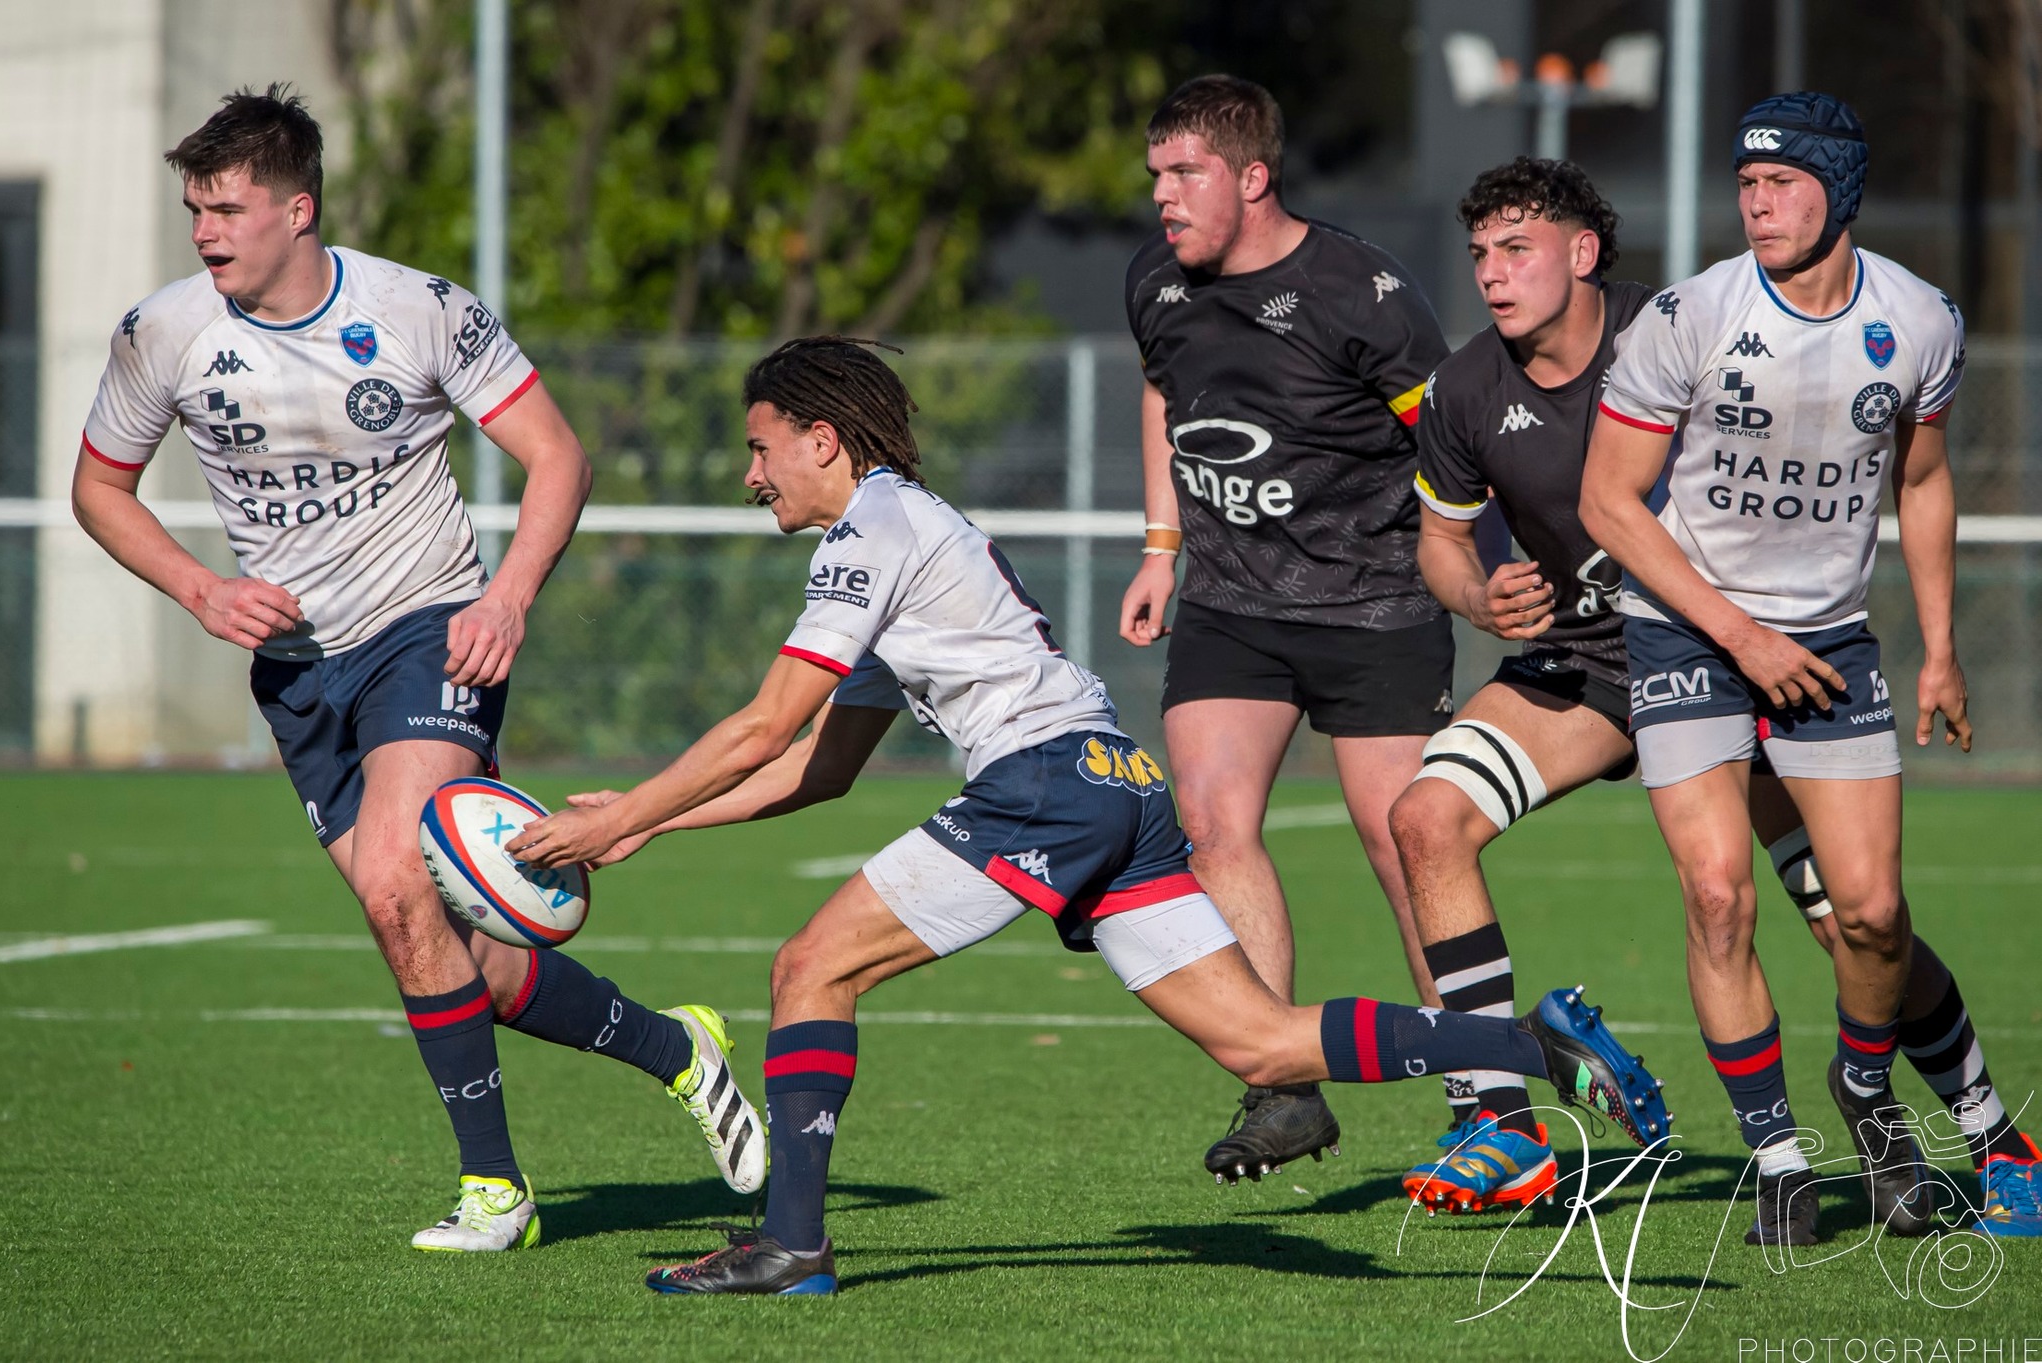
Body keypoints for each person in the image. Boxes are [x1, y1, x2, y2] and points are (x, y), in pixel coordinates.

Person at [509, 336, 1672, 1295]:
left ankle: (793, 1245)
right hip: (1114, 784)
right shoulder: (904, 530)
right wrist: (657, 822)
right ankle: (1533, 1045)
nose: (750, 475)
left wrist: (613, 825)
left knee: (810, 969)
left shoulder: (869, 530)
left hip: (1046, 786)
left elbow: (764, 724)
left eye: (761, 451)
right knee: (1257, 1044)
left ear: (823, 440)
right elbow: (817, 767)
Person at [70, 86, 763, 1252]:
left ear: (298, 210)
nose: (206, 233)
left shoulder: (419, 311)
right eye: (195, 210)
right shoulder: (164, 334)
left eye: (228, 209)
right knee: (453, 954)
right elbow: (99, 487)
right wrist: (201, 587)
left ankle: (495, 1191)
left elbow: (556, 456)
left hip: (427, 629)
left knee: (398, 877)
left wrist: (507, 596)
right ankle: (676, 1050)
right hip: (295, 672)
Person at [1395, 155, 2041, 1237]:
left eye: (1516, 250)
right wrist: (1475, 596)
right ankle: (1502, 1123)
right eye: (1478, 256)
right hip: (1584, 671)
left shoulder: (1693, 326)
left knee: (1853, 926)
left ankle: (1990, 1132)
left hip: (1728, 657)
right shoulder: (1464, 388)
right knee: (1423, 820)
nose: (1491, 276)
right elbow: (1438, 541)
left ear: (1583, 254)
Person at [1579, 92, 2039, 1244]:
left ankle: (1867, 1093)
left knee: (1872, 915)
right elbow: (1605, 500)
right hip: (1687, 633)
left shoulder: (1920, 318)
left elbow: (1920, 481)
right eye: (1744, 184)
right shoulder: (1686, 316)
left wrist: (1937, 648)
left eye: (1779, 183)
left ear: (1838, 189)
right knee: (1718, 893)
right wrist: (1735, 635)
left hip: (1830, 641)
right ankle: (1777, 1155)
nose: (1756, 202)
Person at [1118, 73, 1463, 1179]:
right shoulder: (1155, 283)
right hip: (1230, 605)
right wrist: (1160, 548)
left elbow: (1448, 439)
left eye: (1186, 174)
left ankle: (1483, 1098)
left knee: (1402, 842)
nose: (1162, 196)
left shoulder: (1360, 290)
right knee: (1210, 826)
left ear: (1251, 178)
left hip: (1374, 605)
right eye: (1155, 175)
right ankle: (1278, 1082)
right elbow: (1161, 397)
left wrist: (1472, 563)